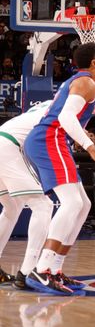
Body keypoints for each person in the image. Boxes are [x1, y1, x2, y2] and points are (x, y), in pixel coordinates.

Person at [23, 43, 95, 295]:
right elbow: (64, 118)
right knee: (72, 203)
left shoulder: (82, 82)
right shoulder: (87, 82)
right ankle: (41, 270)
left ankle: (55, 269)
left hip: (52, 140)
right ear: (94, 63)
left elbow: (67, 117)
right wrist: (92, 149)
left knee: (82, 205)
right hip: (48, 139)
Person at [0, 101, 55, 289]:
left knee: (11, 208)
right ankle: (28, 272)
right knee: (44, 205)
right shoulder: (63, 109)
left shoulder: (43, 107)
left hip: (4, 141)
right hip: (9, 146)